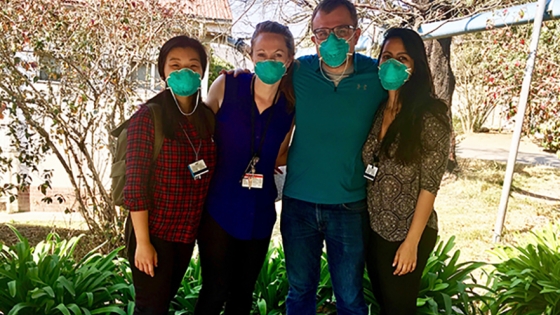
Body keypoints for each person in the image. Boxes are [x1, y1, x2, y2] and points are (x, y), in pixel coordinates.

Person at [279, 0, 386, 314]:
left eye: (342, 30)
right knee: (299, 292)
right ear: (313, 39)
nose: (333, 40)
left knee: (350, 297)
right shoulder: (298, 72)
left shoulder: (377, 75)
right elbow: (261, 82)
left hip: (349, 204)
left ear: (357, 33)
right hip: (298, 200)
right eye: (323, 33)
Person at [194, 21, 295, 315]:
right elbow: (200, 135)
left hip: (260, 214)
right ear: (251, 55)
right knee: (214, 290)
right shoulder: (227, 85)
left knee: (242, 295)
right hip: (219, 210)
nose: (269, 61)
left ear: (289, 59)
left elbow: (281, 154)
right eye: (261, 53)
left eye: (278, 55)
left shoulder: (290, 106)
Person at [123, 35, 216, 315]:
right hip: (154, 234)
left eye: (192, 65)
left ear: (202, 71)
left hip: (185, 234)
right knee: (150, 308)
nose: (183, 71)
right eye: (174, 65)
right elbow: (135, 186)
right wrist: (143, 243)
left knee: (161, 304)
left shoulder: (206, 117)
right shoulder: (148, 117)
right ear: (163, 71)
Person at [362, 28, 451, 315]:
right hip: (375, 226)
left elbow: (430, 184)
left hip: (407, 232)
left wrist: (411, 242)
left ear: (416, 66)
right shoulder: (377, 110)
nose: (392, 64)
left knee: (400, 308)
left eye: (402, 58)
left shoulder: (430, 114)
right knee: (384, 303)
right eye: (386, 56)